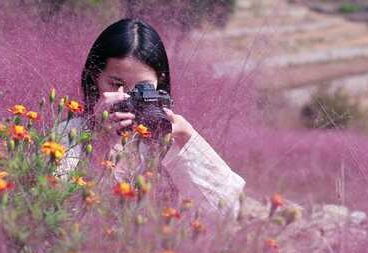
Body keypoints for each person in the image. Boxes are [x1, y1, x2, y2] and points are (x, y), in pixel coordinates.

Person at [56, 18, 245, 217]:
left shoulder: (166, 141)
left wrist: (186, 137)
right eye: (115, 84)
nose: (127, 97)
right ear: (94, 77)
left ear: (159, 83)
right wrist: (99, 142)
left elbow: (226, 211)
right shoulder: (67, 135)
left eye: (141, 88)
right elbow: (56, 210)